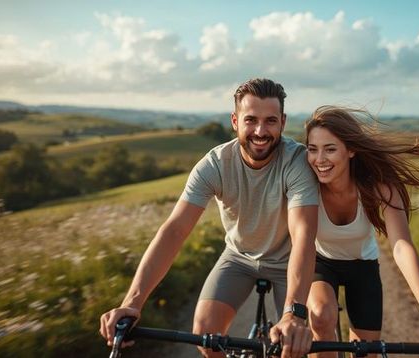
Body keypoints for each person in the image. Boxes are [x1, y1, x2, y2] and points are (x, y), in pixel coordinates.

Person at [99, 78, 319, 358]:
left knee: (297, 346)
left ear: (283, 122)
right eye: (251, 120)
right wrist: (133, 302)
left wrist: (293, 314)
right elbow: (175, 230)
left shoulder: (297, 161)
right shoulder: (214, 164)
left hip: (287, 260)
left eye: (270, 121)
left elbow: (303, 236)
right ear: (235, 121)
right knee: (205, 336)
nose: (261, 131)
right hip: (238, 257)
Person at [304, 106, 419, 358]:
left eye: (330, 149)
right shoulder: (306, 183)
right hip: (321, 262)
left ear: (351, 150)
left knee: (366, 352)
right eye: (312, 149)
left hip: (363, 265)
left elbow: (401, 247)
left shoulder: (379, 186)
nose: (319, 159)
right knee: (322, 317)